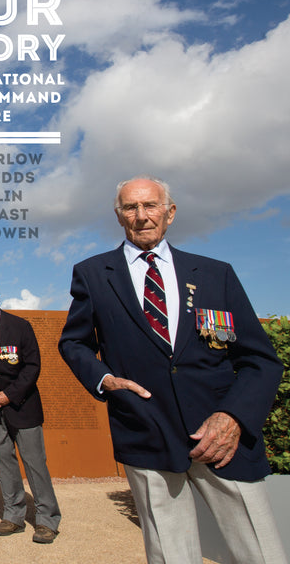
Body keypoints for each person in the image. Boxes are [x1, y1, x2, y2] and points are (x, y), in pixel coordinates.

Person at [59, 176, 286, 564]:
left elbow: (260, 360)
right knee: (170, 554)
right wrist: (105, 379)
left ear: (170, 212)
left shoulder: (216, 274)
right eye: (131, 208)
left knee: (260, 552)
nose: (141, 216)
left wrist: (233, 417)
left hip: (222, 438)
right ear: (119, 216)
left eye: (150, 206)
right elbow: (73, 341)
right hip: (146, 428)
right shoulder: (94, 273)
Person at [0, 281, 61, 544]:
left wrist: (9, 394)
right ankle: (13, 516)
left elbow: (32, 366)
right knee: (5, 463)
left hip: (22, 406)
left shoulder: (19, 326)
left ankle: (47, 520)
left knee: (35, 463)